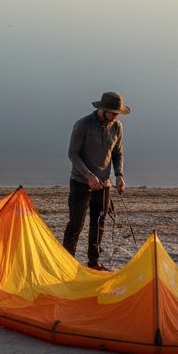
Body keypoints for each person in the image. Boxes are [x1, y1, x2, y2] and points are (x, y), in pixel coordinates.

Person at [63, 91, 129, 270]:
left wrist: (119, 175)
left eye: (118, 114)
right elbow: (73, 154)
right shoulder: (82, 125)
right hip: (80, 182)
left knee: (98, 223)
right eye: (113, 113)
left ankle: (93, 262)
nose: (116, 116)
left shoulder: (117, 127)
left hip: (104, 184)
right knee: (76, 224)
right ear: (102, 109)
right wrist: (88, 175)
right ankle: (66, 263)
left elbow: (118, 153)